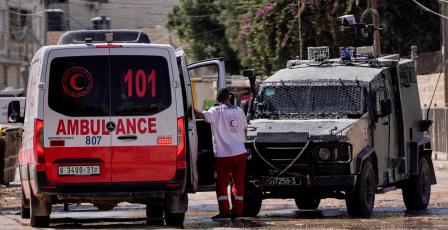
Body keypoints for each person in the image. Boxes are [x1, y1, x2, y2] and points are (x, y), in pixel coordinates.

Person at [195, 88, 248, 220]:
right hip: (240, 152)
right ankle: (237, 212)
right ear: (229, 97)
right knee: (238, 183)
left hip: (224, 155)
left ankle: (224, 212)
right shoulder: (239, 111)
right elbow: (245, 130)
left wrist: (189, 107)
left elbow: (202, 116)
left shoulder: (216, 111)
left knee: (222, 184)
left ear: (218, 98)